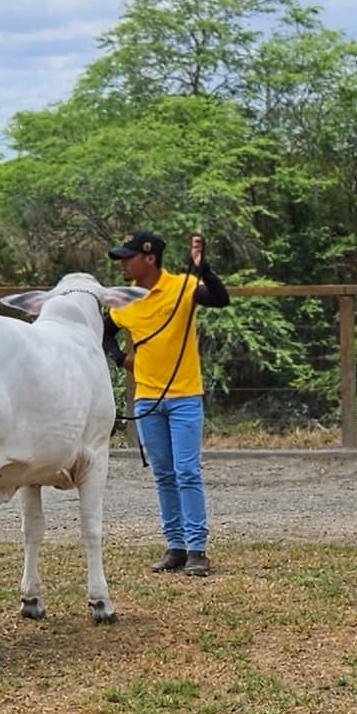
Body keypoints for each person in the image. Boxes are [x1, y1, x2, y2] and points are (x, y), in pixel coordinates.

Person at [108, 228, 230, 576]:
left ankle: (197, 549)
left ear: (149, 258)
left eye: (127, 258)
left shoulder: (181, 287)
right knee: (163, 474)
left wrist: (202, 268)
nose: (122, 265)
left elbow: (220, 299)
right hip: (147, 398)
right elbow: (105, 332)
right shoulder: (123, 300)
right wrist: (120, 358)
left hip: (185, 397)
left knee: (187, 471)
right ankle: (175, 547)